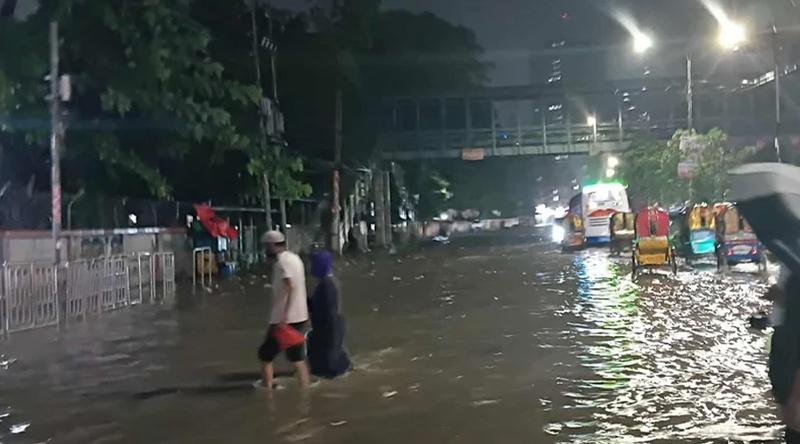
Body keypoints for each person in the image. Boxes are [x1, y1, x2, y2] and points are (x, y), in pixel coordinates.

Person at [257, 230, 310, 390]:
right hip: (300, 316)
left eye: (266, 247)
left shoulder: (282, 263)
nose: (265, 251)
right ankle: (305, 389)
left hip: (284, 320)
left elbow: (289, 285)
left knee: (265, 355)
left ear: (272, 246)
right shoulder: (295, 258)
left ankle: (267, 388)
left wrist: (284, 317)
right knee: (297, 358)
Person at [307, 251, 352, 378]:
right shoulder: (326, 283)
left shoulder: (327, 285)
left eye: (313, 264)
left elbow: (328, 310)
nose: (310, 268)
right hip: (328, 326)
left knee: (329, 362)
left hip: (329, 326)